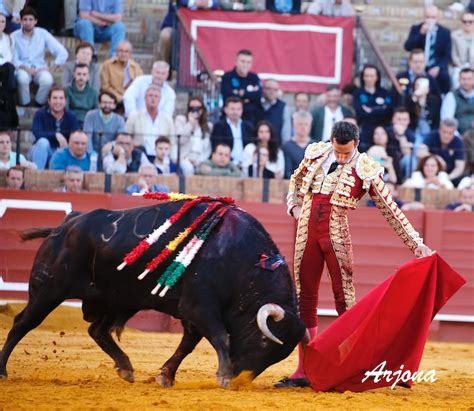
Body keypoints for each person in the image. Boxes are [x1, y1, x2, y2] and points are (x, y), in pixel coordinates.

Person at [275, 121, 432, 388]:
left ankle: (350, 366)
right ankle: (303, 370)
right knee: (305, 298)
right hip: (306, 234)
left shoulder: (366, 168)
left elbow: (390, 208)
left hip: (336, 236)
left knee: (344, 302)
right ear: (331, 141)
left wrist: (416, 243)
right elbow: (296, 179)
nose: (340, 157)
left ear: (356, 144)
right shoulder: (316, 152)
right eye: (337, 151)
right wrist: (294, 206)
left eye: (346, 153)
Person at [12, 7, 68, 106]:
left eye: (30, 20)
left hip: (39, 68)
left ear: (35, 21)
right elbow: (14, 58)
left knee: (47, 80)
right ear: (20, 21)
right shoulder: (14, 36)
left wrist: (53, 67)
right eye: (25, 19)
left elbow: (62, 52)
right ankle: (25, 104)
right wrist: (26, 68)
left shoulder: (43, 34)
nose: (28, 22)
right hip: (22, 68)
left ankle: (39, 104)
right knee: (22, 79)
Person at [404, 5, 452, 94]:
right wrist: (421, 33)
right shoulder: (416, 29)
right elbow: (408, 47)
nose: (430, 20)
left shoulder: (444, 32)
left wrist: (438, 67)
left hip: (436, 65)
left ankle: (442, 98)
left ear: (437, 18)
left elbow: (447, 55)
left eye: (433, 17)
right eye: (427, 17)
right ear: (423, 17)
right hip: (418, 64)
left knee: (444, 76)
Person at [30, 86, 80, 170]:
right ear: (49, 101)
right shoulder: (40, 114)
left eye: (61, 98)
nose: (58, 101)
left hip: (63, 150)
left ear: (65, 101)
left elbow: (76, 134)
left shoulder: (71, 116)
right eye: (55, 98)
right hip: (42, 150)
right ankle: (37, 176)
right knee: (43, 142)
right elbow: (37, 133)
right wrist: (56, 135)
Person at [125, 85, 175, 160]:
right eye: (150, 95)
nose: (153, 98)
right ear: (145, 98)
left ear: (160, 99)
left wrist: (172, 158)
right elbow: (126, 138)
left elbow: (172, 142)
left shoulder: (167, 119)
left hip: (162, 158)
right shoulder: (134, 117)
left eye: (156, 96)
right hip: (140, 157)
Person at [353, 64, 393, 150]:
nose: (369, 79)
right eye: (366, 76)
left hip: (382, 130)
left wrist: (370, 110)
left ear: (377, 77)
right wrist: (380, 109)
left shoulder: (384, 93)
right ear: (363, 77)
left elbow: (389, 112)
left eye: (372, 76)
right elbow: (360, 113)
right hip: (366, 130)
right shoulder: (358, 93)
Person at [173, 96, 212, 176]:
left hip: (200, 159)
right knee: (188, 169)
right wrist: (190, 124)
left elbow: (208, 149)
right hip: (184, 158)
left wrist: (199, 161)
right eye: (192, 108)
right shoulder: (181, 120)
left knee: (208, 170)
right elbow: (180, 140)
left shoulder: (208, 126)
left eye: (198, 108)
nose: (195, 110)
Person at [221, 49, 262, 125]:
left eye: (248, 62)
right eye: (242, 61)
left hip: (252, 120)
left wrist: (241, 93)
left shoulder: (254, 78)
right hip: (231, 121)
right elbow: (228, 96)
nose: (245, 65)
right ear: (236, 62)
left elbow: (258, 95)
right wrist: (248, 97)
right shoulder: (227, 77)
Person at [210, 96, 254, 167]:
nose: (235, 112)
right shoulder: (219, 126)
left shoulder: (248, 126)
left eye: (238, 109)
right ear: (225, 109)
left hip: (246, 164)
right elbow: (217, 147)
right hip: (227, 164)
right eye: (232, 109)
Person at [424, 119, 466, 185]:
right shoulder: (432, 136)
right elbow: (420, 151)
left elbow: (459, 167)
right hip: (429, 176)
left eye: (450, 133)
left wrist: (447, 178)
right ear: (439, 130)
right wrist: (436, 158)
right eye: (444, 132)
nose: (446, 136)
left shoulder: (458, 142)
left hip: (450, 178)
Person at [385, 107, 416, 182]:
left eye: (405, 120)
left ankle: (407, 183)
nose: (402, 122)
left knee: (410, 159)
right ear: (393, 119)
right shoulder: (385, 131)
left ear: (409, 121)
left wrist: (401, 135)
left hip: (401, 165)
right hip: (386, 164)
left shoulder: (410, 134)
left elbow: (407, 153)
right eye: (399, 119)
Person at [441, 68, 474, 134]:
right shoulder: (451, 96)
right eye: (463, 79)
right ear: (459, 80)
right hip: (458, 136)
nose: (466, 82)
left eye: (469, 79)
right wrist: (456, 136)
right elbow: (447, 121)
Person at [258, 79, 291, 144]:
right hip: (257, 146)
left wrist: (284, 146)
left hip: (276, 147)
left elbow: (286, 130)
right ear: (263, 89)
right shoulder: (256, 104)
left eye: (275, 90)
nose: (272, 92)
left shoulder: (283, 106)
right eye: (269, 89)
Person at [282, 110, 312, 178]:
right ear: (294, 126)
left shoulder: (315, 146)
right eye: (300, 124)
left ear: (310, 126)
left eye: (306, 124)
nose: (303, 127)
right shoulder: (287, 146)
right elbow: (287, 172)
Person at [451, 11, 474, 89]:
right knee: (456, 78)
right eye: (465, 21)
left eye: (470, 21)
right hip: (460, 66)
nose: (467, 24)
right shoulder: (455, 35)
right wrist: (461, 66)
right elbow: (453, 54)